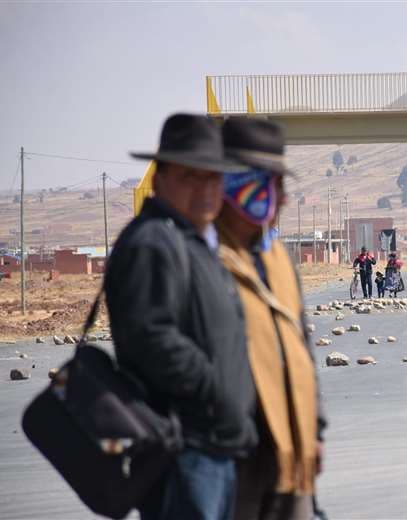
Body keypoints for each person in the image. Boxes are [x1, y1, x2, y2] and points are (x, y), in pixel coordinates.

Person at [105, 113, 254, 520]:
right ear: (160, 179)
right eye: (191, 177)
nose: (205, 190)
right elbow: (151, 337)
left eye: (212, 178)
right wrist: (217, 392)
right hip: (183, 451)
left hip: (213, 447)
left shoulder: (194, 242)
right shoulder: (153, 243)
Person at [217, 118, 326, 520]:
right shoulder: (201, 257)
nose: (280, 199)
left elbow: (301, 347)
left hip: (290, 449)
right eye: (270, 185)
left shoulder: (277, 256)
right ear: (236, 185)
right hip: (235, 459)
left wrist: (315, 429)